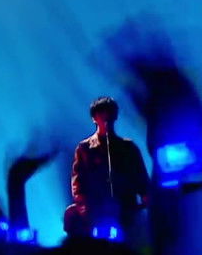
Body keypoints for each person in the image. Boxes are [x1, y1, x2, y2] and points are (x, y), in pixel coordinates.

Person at [64, 97, 150, 239]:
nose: (106, 118)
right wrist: (84, 206)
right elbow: (78, 182)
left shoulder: (128, 148)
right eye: (101, 113)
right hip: (97, 212)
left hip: (125, 210)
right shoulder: (84, 149)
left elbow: (140, 177)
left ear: (115, 116)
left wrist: (146, 197)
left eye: (109, 113)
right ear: (94, 118)